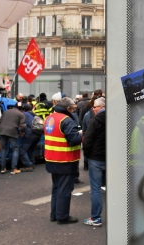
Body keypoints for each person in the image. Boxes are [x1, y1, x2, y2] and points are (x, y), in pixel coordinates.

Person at [45, 97, 82, 224]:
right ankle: (62, 216)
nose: (73, 111)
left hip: (51, 158)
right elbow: (75, 139)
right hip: (65, 159)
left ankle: (54, 214)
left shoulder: (50, 117)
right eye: (72, 109)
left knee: (56, 188)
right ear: (68, 108)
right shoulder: (67, 120)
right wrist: (81, 134)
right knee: (65, 190)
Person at [83, 97, 106, 227]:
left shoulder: (94, 121)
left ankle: (96, 217)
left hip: (96, 158)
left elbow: (88, 140)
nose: (93, 109)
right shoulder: (115, 118)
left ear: (101, 107)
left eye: (95, 107)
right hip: (111, 158)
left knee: (96, 189)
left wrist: (87, 155)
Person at [0, 104, 26, 174]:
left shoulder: (6, 112)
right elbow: (23, 126)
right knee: (15, 149)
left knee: (3, 149)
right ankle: (14, 168)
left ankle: (3, 168)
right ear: (22, 109)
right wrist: (21, 132)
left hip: (2, 131)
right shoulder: (21, 114)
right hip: (12, 132)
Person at [20, 104, 41, 171]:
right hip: (37, 134)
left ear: (24, 109)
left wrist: (21, 131)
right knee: (30, 150)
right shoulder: (34, 114)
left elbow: (23, 125)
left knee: (22, 150)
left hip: (30, 134)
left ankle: (28, 165)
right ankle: (32, 162)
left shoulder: (24, 114)